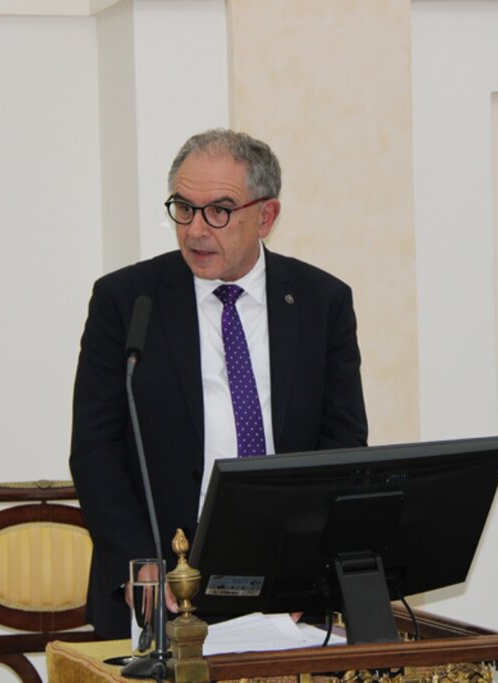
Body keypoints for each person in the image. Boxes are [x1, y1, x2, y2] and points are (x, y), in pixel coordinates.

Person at [69, 129, 369, 638]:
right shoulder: (126, 301)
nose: (196, 230)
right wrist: (139, 564)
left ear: (266, 216)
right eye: (183, 208)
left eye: (219, 210)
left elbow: (341, 448)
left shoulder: (322, 302)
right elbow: (95, 448)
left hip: (286, 580)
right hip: (160, 583)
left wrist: (302, 573)